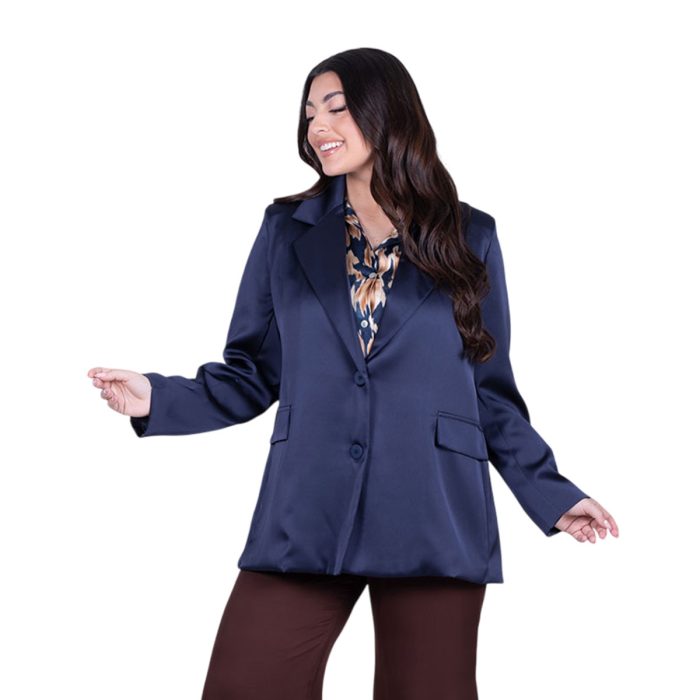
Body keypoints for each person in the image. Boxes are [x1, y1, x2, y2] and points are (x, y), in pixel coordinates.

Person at [88, 48, 619, 700]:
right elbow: (253, 371)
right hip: (308, 506)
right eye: (310, 112)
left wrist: (553, 494)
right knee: (244, 686)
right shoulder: (286, 230)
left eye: (336, 108)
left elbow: (490, 391)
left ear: (386, 112)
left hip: (432, 508)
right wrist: (157, 397)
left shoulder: (469, 235)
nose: (318, 126)